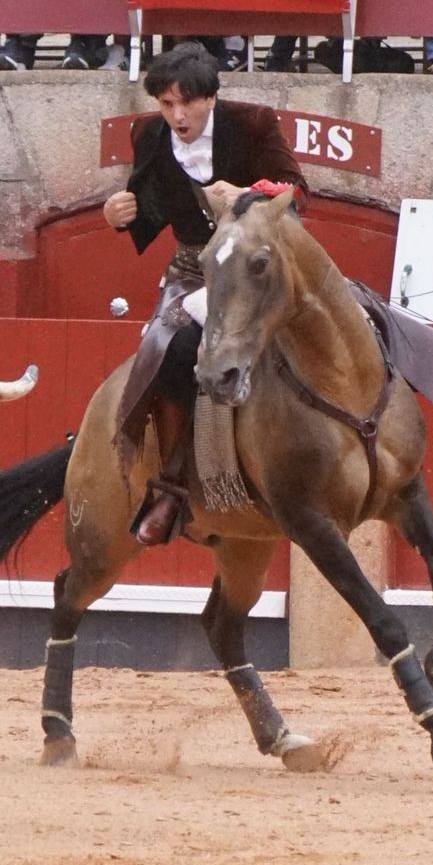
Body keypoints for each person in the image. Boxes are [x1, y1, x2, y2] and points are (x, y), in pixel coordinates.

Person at [101, 43, 308, 547]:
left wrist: (246, 194)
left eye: (185, 104)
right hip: (194, 268)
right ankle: (171, 486)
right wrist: (118, 214)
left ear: (210, 98)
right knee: (167, 350)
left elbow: (295, 190)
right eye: (165, 104)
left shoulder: (254, 122)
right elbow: (151, 207)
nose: (175, 115)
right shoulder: (148, 133)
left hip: (257, 264)